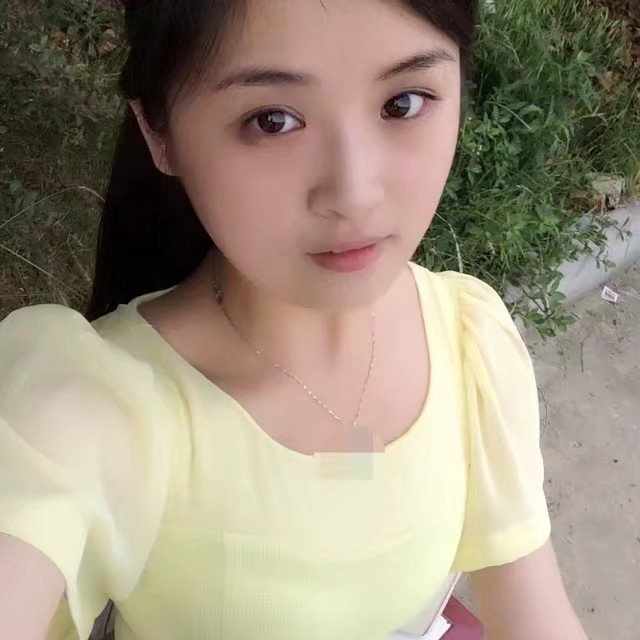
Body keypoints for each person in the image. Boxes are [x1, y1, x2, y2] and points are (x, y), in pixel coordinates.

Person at [0, 0, 590, 639]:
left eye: (403, 104)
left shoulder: (468, 342)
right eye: (272, 120)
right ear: (158, 134)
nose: (355, 193)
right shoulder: (95, 409)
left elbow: (534, 609)